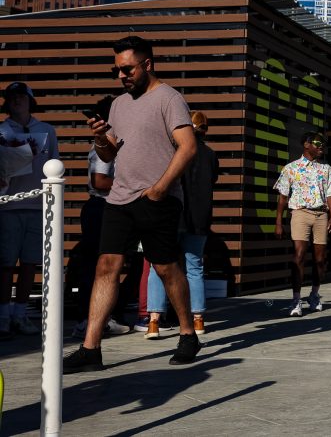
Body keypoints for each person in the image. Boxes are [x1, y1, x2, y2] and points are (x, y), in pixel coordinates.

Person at [64, 35, 200, 372]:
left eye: (127, 69)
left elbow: (188, 147)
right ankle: (91, 347)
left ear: (147, 64)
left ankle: (187, 334)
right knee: (106, 266)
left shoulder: (169, 98)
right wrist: (99, 138)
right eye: (117, 70)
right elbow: (110, 152)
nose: (121, 76)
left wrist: (160, 189)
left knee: (165, 267)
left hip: (158, 199)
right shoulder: (119, 104)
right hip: (119, 198)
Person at [146, 111, 219, 336]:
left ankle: (154, 321)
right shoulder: (210, 155)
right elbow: (212, 180)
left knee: (158, 265)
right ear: (205, 130)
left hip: (173, 215)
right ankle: (198, 320)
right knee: (195, 267)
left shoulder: (175, 151)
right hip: (199, 217)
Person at [0, 81, 59, 339]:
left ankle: (21, 313)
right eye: (12, 97)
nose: (17, 101)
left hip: (37, 206)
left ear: (30, 100)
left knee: (30, 263)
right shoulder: (1, 130)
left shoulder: (46, 130)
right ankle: (3, 315)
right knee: (4, 263)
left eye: (21, 96)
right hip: (7, 205)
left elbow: (56, 164)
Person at [71, 96, 130, 339]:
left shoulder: (112, 143)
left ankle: (106, 316)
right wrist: (131, 183)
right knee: (99, 265)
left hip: (105, 207)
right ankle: (90, 319)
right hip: (101, 207)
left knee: (111, 264)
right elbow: (100, 181)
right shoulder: (103, 146)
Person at [274, 131, 331, 317]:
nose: (321, 147)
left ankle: (314, 295)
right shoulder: (291, 168)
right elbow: (283, 197)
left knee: (320, 259)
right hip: (300, 213)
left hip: (321, 215)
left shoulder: (326, 168)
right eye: (318, 143)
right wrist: (278, 221)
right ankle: (296, 300)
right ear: (306, 145)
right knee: (299, 255)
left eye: (323, 144)